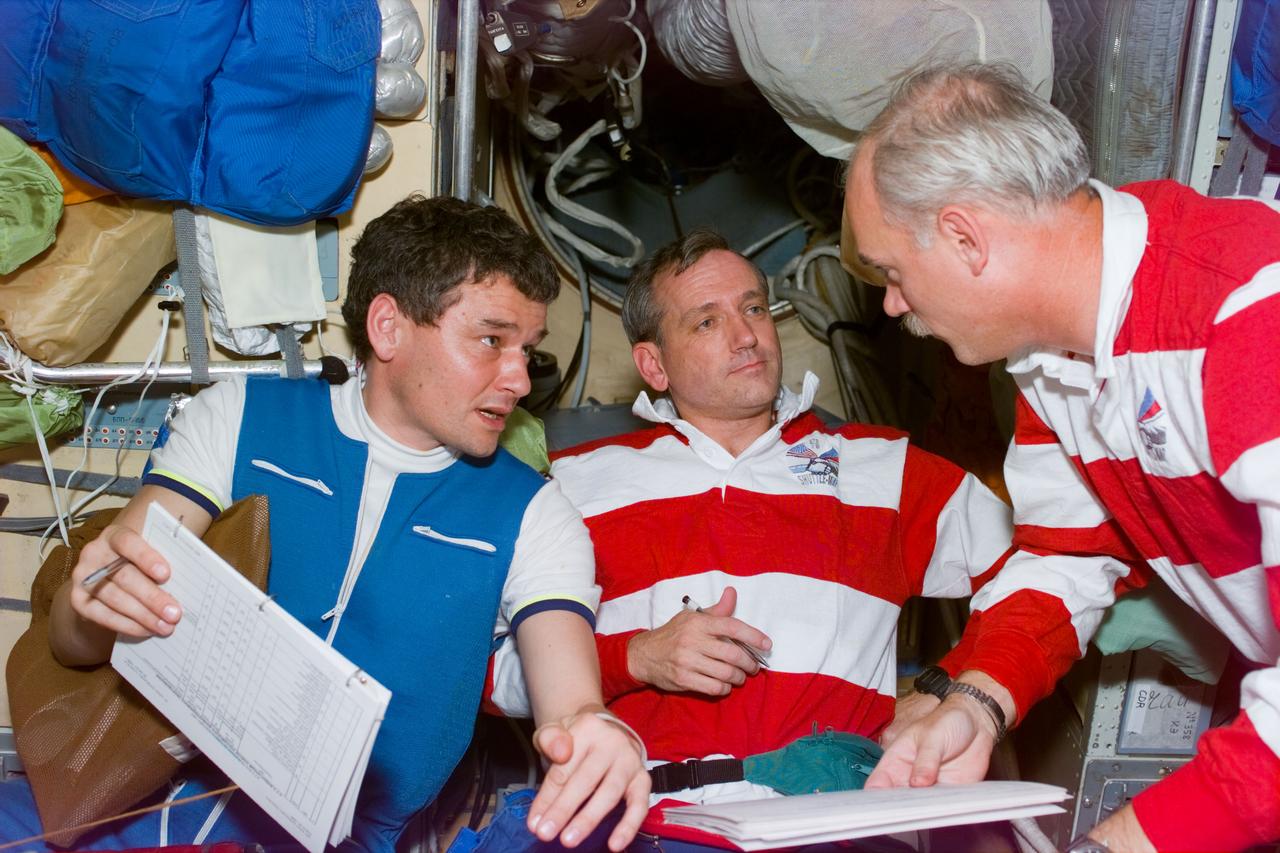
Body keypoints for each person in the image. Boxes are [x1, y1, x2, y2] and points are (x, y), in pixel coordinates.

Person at [0, 195, 649, 852]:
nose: (517, 378)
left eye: (527, 350)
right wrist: (89, 606)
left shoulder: (535, 512)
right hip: (151, 806)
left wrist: (599, 732)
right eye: (491, 340)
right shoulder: (237, 418)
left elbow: (571, 701)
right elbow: (79, 637)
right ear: (389, 327)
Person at [843, 62, 1280, 853]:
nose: (893, 304)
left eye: (894, 273)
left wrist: (1125, 842)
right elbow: (1064, 560)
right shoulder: (1052, 358)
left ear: (965, 237)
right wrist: (975, 703)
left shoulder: (1252, 309)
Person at [476, 229, 1016, 851]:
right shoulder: (571, 486)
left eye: (753, 308)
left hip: (842, 824)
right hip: (644, 826)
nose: (746, 335)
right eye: (707, 322)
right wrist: (636, 658)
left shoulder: (884, 470)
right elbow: (486, 674)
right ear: (653, 364)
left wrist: (954, 691)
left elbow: (1045, 568)